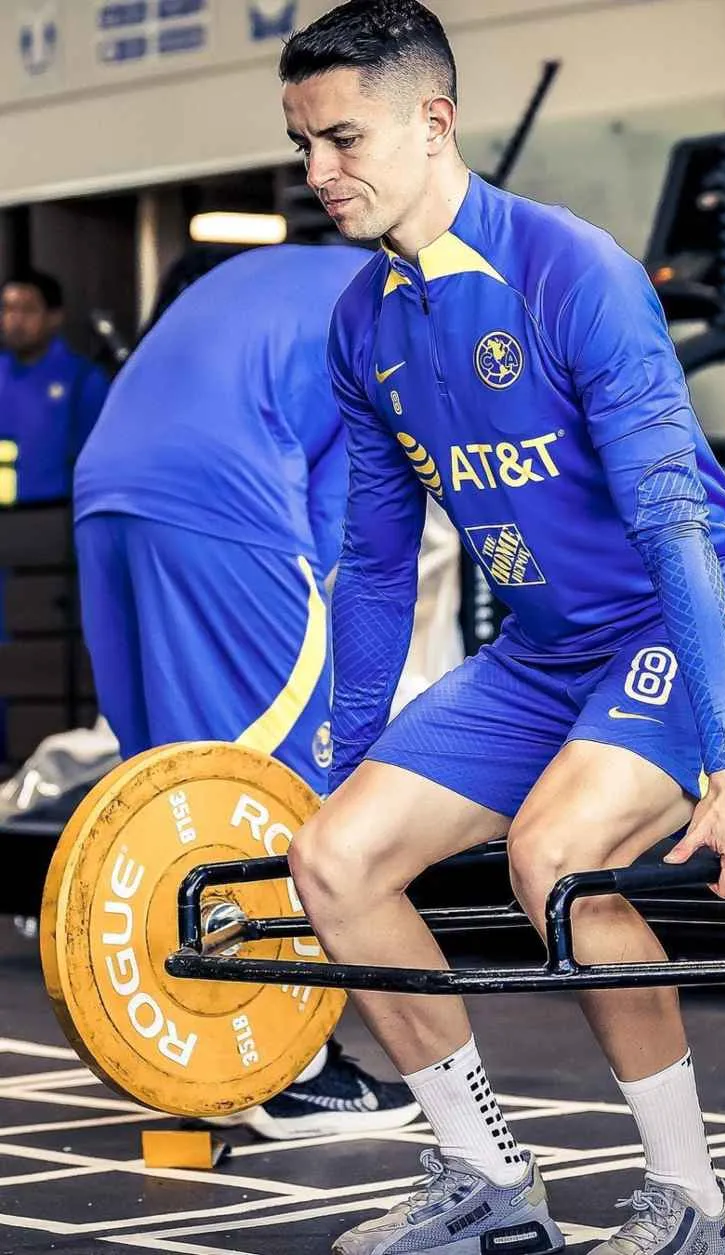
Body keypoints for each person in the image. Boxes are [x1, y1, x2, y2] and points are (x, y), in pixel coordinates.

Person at [280, 4, 725, 1255]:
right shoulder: (364, 322)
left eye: (341, 139)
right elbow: (371, 563)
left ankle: (690, 1200)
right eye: (300, 146)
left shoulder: (573, 272)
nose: (316, 174)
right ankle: (484, 1179)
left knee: (553, 858)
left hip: (701, 621)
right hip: (549, 648)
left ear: (432, 122)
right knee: (334, 861)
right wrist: (351, 759)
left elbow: (674, 524)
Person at [73, 242, 424, 1140]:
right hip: (225, 500)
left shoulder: (297, 274)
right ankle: (293, 1071)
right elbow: (348, 537)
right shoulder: (395, 319)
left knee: (174, 791)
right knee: (279, 794)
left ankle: (196, 1046)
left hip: (105, 489)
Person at [0, 270, 109, 503]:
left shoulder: (83, 379)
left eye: (27, 310)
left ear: (54, 317)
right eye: (8, 309)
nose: (15, 320)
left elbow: (99, 463)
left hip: (53, 517)